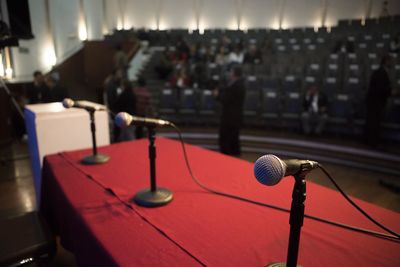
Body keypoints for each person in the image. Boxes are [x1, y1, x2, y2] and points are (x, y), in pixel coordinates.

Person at [215, 66, 246, 156]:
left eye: (231, 72)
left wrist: (217, 95)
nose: (230, 74)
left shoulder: (237, 85)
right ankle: (234, 158)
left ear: (234, 73)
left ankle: (227, 158)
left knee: (226, 139)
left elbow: (226, 100)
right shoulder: (238, 84)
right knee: (233, 140)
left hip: (230, 118)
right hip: (234, 118)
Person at [364, 54, 392, 148]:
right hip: (376, 102)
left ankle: (370, 141)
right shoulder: (380, 72)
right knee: (374, 122)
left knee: (373, 122)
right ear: (386, 61)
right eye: (389, 61)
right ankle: (372, 142)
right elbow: (380, 88)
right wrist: (391, 91)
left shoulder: (380, 72)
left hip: (375, 101)